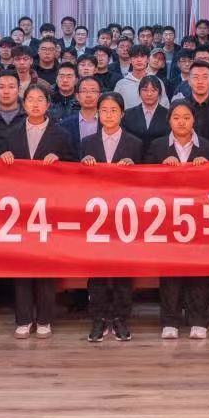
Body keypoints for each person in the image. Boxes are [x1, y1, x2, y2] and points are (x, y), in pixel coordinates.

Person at [0, 84, 76, 339]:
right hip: (20, 210)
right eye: (30, 99)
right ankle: (23, 319)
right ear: (23, 104)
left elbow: (75, 167)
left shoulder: (61, 134)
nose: (34, 103)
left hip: (49, 209)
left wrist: (60, 161)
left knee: (44, 265)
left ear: (48, 104)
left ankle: (44, 319)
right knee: (22, 265)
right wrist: (3, 157)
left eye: (40, 99)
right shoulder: (11, 134)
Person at [145, 101, 209, 339]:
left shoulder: (207, 147)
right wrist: (160, 168)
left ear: (194, 120)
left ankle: (199, 319)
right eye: (176, 117)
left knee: (199, 270)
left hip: (199, 217)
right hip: (167, 217)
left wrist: (207, 169)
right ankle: (170, 321)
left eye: (186, 117)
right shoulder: (158, 147)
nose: (181, 122)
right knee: (170, 270)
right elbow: (144, 182)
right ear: (169, 120)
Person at [79, 92, 143, 342]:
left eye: (113, 110)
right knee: (96, 270)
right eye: (104, 110)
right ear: (97, 113)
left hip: (124, 216)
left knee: (122, 270)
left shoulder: (135, 143)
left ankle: (120, 318)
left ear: (122, 114)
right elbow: (75, 179)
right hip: (95, 217)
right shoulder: (87, 143)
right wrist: (83, 165)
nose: (108, 114)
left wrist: (134, 169)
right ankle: (98, 318)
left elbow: (148, 179)